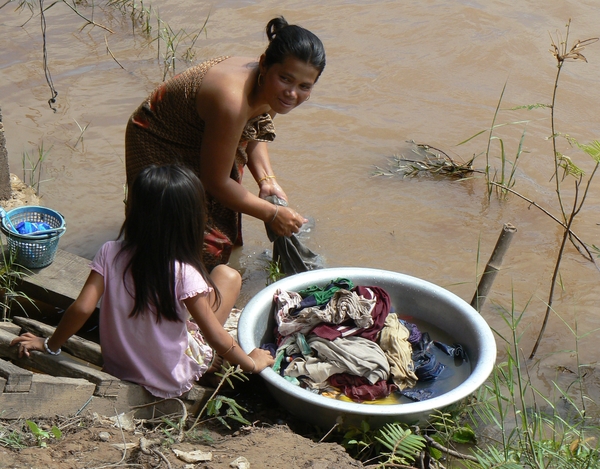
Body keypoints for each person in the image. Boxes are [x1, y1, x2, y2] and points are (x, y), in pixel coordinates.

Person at [11, 164, 275, 399]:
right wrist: (251, 363)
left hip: (121, 365)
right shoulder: (184, 272)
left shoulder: (110, 252)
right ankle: (204, 368)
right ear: (192, 220)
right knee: (228, 276)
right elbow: (215, 336)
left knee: (221, 279)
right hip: (169, 378)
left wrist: (49, 344)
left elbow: (82, 308)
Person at [125, 16, 326, 271]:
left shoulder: (272, 91)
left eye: (304, 86)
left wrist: (267, 181)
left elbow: (253, 132)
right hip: (158, 137)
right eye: (286, 79)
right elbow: (216, 182)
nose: (292, 93)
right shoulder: (232, 100)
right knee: (179, 236)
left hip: (204, 131)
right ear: (264, 65)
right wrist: (272, 214)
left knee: (220, 219)